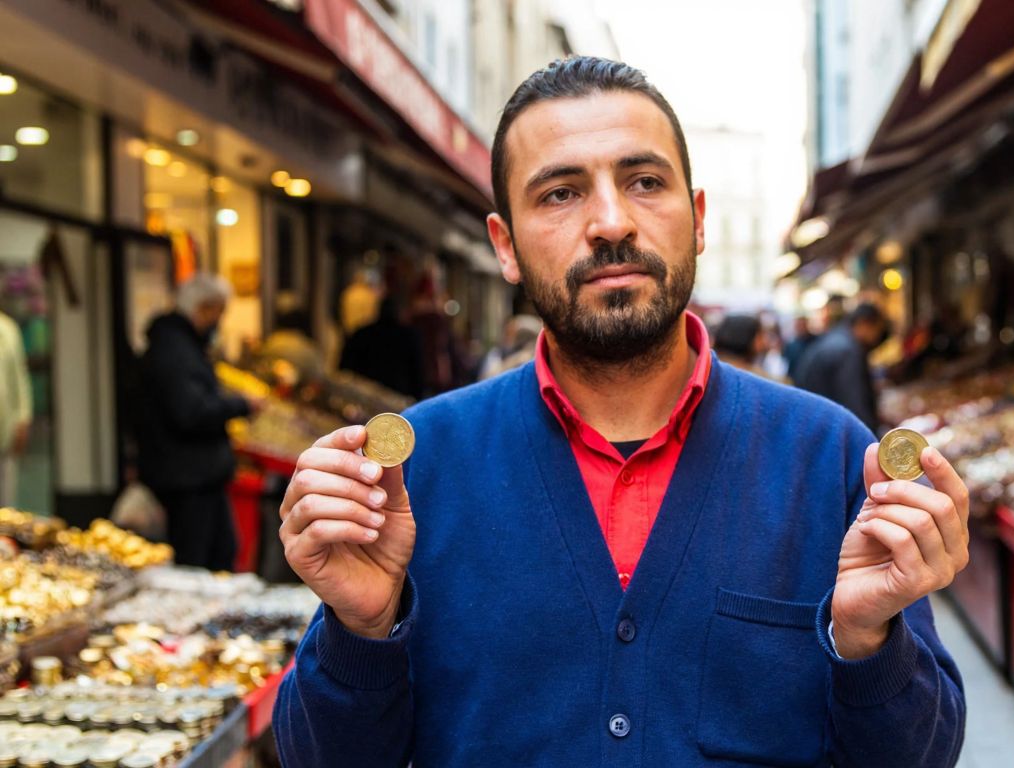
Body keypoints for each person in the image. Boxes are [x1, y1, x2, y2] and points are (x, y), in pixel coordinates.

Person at [274, 57, 967, 767]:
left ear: (697, 220)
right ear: (505, 246)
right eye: (560, 193)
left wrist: (867, 643)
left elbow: (922, 756)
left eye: (644, 183)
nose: (610, 223)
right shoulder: (412, 471)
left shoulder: (827, 458)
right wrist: (360, 629)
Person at [136, 274, 258, 571]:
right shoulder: (175, 350)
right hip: (187, 477)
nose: (220, 321)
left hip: (197, 475)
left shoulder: (180, 345)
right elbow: (191, 411)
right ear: (204, 308)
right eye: (219, 312)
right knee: (198, 560)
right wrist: (240, 404)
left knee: (221, 551)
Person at [792, 303, 891, 435]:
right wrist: (872, 441)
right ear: (864, 323)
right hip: (826, 430)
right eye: (877, 330)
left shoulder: (838, 338)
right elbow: (855, 404)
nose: (877, 337)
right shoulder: (847, 350)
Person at [338, 295, 424, 399]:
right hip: (397, 397)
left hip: (363, 395)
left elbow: (344, 367)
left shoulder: (362, 334)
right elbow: (417, 373)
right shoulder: (408, 336)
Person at [0, 309, 31, 507]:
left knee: (4, 505)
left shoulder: (7, 329)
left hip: (4, 431)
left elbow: (19, 378)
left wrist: (22, 419)